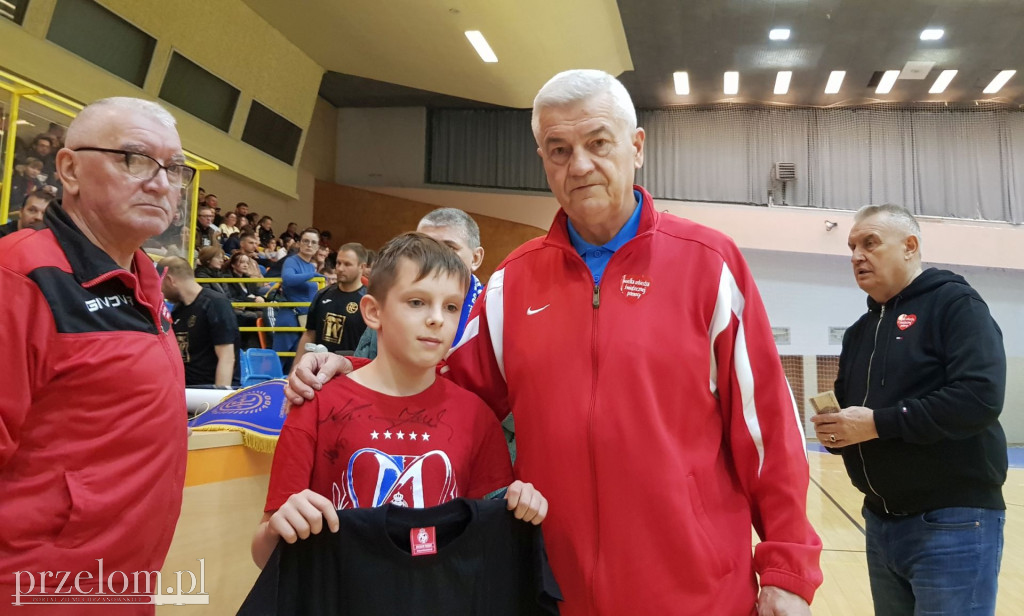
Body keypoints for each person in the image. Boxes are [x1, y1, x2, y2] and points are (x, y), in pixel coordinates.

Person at [287, 69, 822, 616]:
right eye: (559, 150)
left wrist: (787, 569)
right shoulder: (513, 282)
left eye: (598, 143)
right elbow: (443, 390)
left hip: (697, 594)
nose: (579, 165)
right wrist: (353, 371)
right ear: (544, 160)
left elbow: (767, 427)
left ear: (637, 147)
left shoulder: (710, 265)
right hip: (551, 590)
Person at [251, 232, 547, 570]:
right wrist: (277, 530)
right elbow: (263, 555)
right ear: (373, 311)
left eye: (451, 306)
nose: (437, 318)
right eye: (417, 302)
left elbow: (487, 548)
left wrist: (521, 506)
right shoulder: (315, 404)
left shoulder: (477, 418)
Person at [0, 97, 193, 613]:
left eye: (174, 168)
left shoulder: (146, 281)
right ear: (69, 169)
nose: (161, 183)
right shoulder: (18, 278)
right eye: (134, 159)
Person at [811, 204, 1007, 616]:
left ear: (910, 246)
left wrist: (877, 424)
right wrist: (839, 433)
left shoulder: (955, 305)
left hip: (952, 522)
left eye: (870, 243)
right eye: (852, 247)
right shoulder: (859, 332)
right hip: (880, 523)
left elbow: (979, 398)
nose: (857, 256)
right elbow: (854, 414)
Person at [354, 208, 485, 360]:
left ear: (476, 258)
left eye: (449, 248)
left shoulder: (491, 313)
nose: (435, 258)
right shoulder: (391, 305)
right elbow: (367, 364)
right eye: (423, 248)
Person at [160, 256, 239, 387]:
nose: (161, 291)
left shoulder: (215, 303)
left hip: (207, 389)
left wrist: (219, 396)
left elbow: (227, 357)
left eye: (160, 284)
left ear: (169, 280)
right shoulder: (178, 310)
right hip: (185, 388)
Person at [294, 243, 369, 362]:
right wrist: (296, 367)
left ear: (362, 267)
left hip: (353, 368)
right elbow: (309, 334)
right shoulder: (322, 295)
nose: (340, 268)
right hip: (321, 368)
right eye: (338, 263)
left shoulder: (368, 301)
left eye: (347, 264)